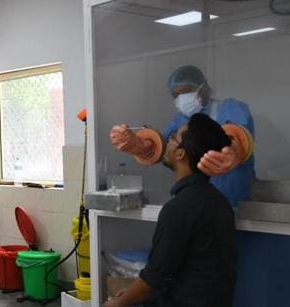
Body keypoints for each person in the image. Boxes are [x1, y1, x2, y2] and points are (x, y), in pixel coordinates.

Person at [104, 113, 236, 307]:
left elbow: (154, 279)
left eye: (173, 137)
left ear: (180, 153)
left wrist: (117, 303)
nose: (167, 141)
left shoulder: (179, 209)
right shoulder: (219, 202)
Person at [110, 65, 254, 207]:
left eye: (186, 91)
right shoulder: (180, 120)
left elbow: (238, 134)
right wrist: (141, 146)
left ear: (202, 87)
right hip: (197, 202)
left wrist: (233, 150)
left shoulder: (229, 108)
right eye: (176, 95)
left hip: (236, 201)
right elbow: (165, 150)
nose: (182, 98)